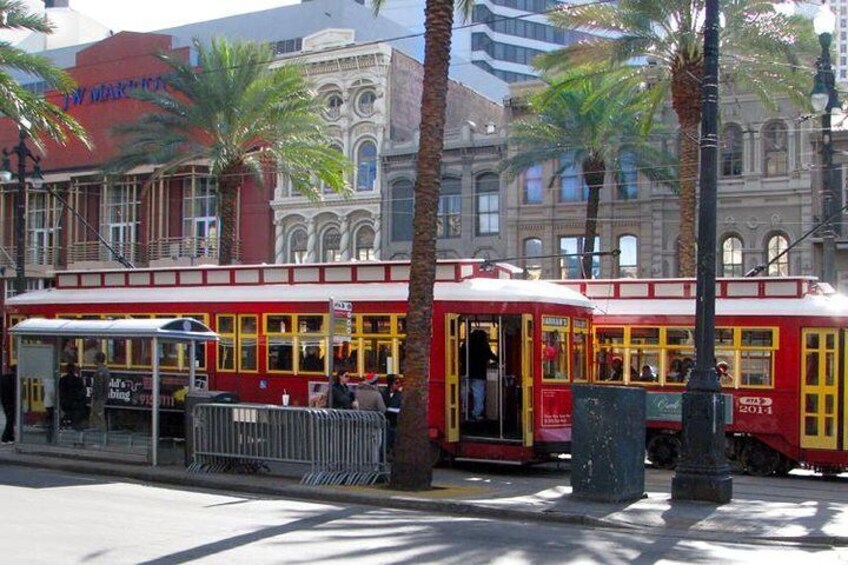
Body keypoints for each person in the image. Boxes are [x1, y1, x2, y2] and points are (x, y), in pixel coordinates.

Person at [355, 373, 387, 464]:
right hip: (374, 425)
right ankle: (374, 468)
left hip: (360, 423)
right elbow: (382, 409)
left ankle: (361, 466)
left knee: (361, 447)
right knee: (374, 448)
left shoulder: (357, 392)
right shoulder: (376, 395)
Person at [467, 329, 496, 421]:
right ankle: (476, 414)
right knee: (479, 395)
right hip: (479, 374)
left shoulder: (466, 345)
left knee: (465, 395)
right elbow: (490, 356)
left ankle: (465, 413)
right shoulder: (483, 345)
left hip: (465, 373)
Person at [59, 362, 88, 430]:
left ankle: (65, 424)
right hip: (76, 404)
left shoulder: (62, 380)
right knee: (75, 420)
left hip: (66, 404)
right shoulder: (78, 380)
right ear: (74, 370)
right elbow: (82, 392)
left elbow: (61, 392)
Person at [382, 374, 402, 455]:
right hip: (386, 420)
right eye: (396, 383)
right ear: (390, 384)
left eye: (399, 383)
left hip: (395, 421)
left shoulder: (400, 395)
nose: (398, 385)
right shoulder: (383, 393)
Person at [89, 352, 109, 431]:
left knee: (97, 415)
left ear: (97, 360)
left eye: (94, 358)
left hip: (98, 398)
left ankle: (98, 431)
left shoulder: (100, 371)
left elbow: (100, 386)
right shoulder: (105, 370)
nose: (93, 360)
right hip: (102, 397)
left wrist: (96, 397)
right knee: (98, 415)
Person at [1, 366, 16, 444]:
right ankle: (5, 437)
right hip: (11, 402)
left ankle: (10, 437)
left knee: (10, 419)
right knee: (10, 420)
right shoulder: (13, 379)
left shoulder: (4, 378)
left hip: (5, 401)